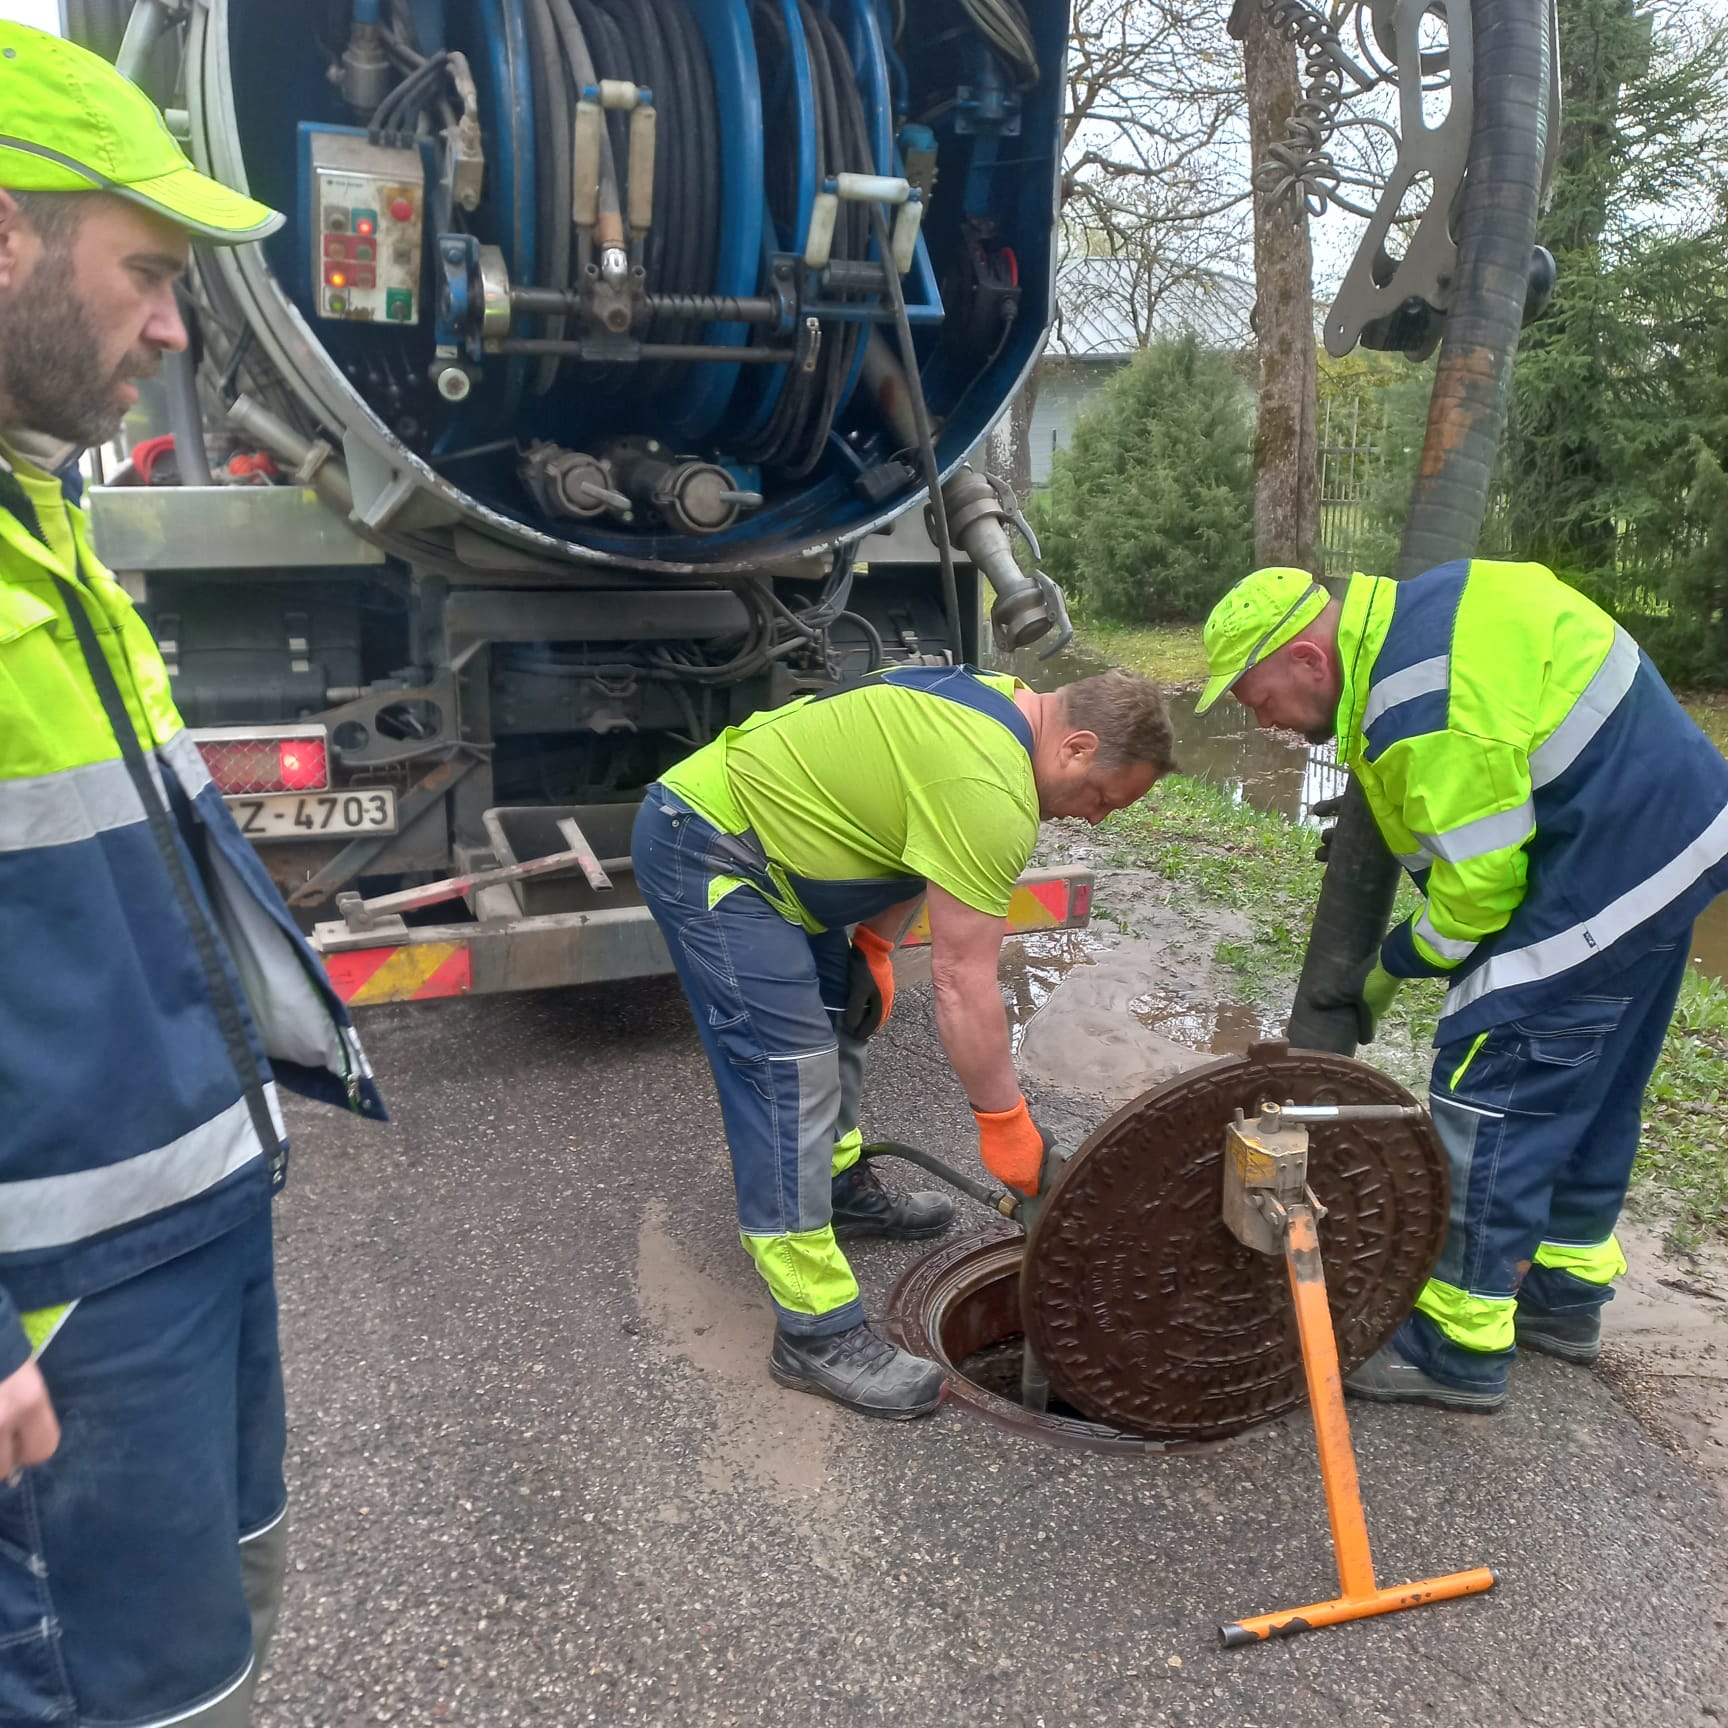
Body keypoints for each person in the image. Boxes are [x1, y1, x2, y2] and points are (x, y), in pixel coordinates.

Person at [0, 24, 385, 1726]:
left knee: (215, 1646)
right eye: (146, 272)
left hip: (189, 1223)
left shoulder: (42, 525)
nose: (172, 329)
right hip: (66, 1311)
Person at [1197, 561, 1728, 1412]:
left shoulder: (1418, 707)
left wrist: (1395, 963)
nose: (1262, 721)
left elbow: (1478, 894)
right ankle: (1560, 1295)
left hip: (1606, 865)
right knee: (1590, 1085)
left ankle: (1457, 1345)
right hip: (1673, 847)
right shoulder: (1429, 611)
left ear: (1307, 660)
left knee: (1494, 1084)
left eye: (1257, 699)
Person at [633, 663, 1174, 1418]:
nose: (1095, 819)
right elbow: (961, 982)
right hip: (717, 850)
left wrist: (876, 948)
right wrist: (1006, 1126)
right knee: (791, 1075)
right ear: (1077, 747)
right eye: (1101, 799)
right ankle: (814, 1332)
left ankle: (836, 1189)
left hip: (784, 854)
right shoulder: (992, 788)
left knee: (843, 1019)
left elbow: (906, 827)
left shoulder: (997, 699)